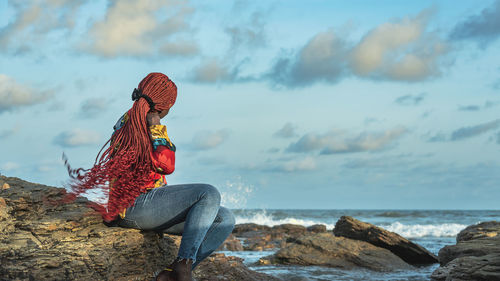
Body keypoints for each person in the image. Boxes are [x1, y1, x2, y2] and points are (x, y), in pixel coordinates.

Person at [63, 73, 235, 281]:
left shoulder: (133, 118)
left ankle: (172, 273)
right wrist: (157, 127)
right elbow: (166, 165)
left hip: (150, 206)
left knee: (224, 218)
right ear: (164, 106)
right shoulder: (138, 123)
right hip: (135, 206)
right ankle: (183, 267)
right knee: (208, 193)